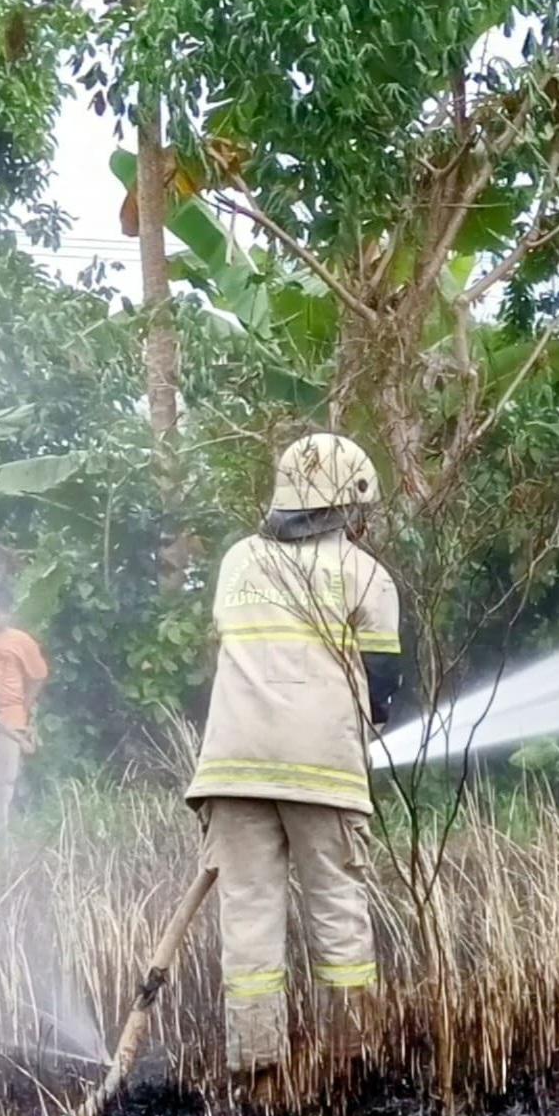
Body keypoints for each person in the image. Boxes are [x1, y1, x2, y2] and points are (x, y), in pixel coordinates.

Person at [188, 433, 402, 1078]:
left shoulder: (237, 561)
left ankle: (255, 1064)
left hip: (231, 768)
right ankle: (351, 1058)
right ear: (352, 504)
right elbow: (383, 686)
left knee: (248, 916)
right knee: (336, 908)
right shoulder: (366, 573)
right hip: (323, 775)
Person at [0, 591, 50, 827]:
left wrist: (23, 707)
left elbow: (38, 676)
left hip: (10, 715)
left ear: (7, 613)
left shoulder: (21, 640)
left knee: (3, 778)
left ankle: (0, 831)